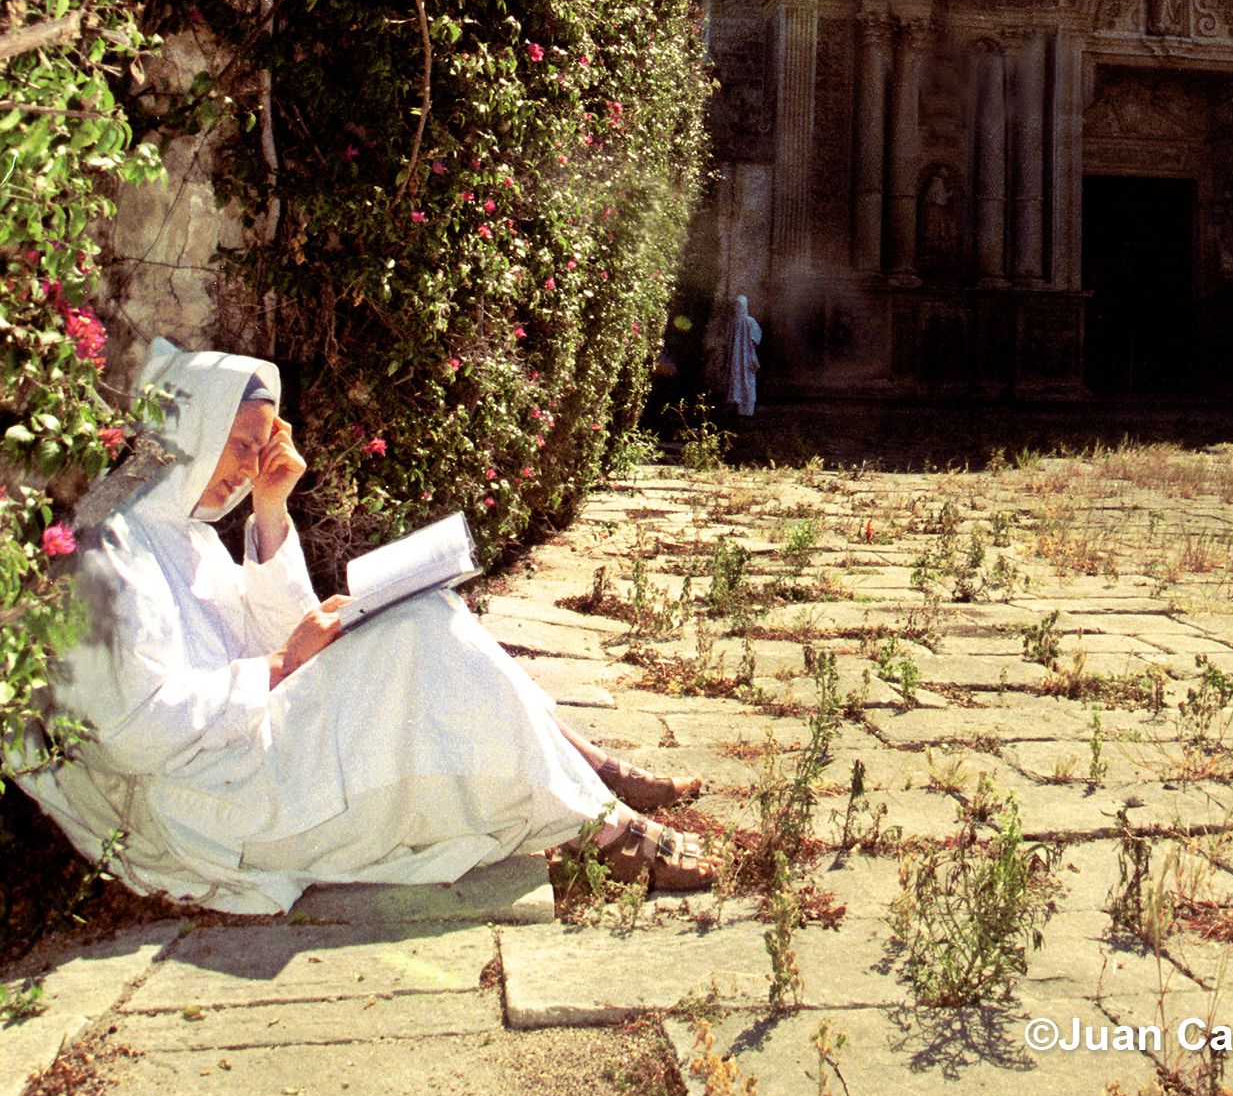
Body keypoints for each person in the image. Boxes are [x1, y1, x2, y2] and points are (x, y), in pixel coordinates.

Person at [10, 340, 711, 913]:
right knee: (419, 638)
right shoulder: (107, 551)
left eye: (262, 450)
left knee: (423, 614)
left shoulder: (179, 530)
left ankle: (588, 782)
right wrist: (285, 664)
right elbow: (134, 731)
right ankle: (602, 820)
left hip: (236, 751)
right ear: (186, 430)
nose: (253, 466)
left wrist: (271, 509)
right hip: (204, 801)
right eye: (242, 446)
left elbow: (268, 634)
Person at [724, 293, 761, 418]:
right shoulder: (733, 322)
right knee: (737, 379)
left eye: (739, 305)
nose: (736, 308)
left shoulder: (749, 322)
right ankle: (736, 407)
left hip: (745, 356)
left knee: (746, 379)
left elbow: (756, 338)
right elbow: (728, 339)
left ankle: (746, 409)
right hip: (736, 356)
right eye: (736, 305)